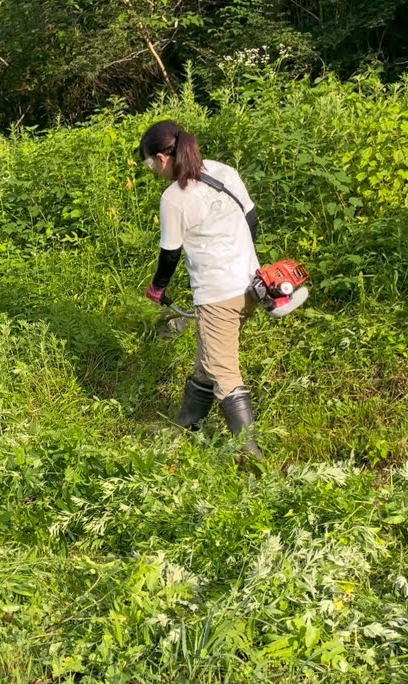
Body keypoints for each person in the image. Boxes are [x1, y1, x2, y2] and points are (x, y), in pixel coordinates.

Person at [139, 119, 265, 459]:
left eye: (150, 164)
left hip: (217, 295)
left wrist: (157, 289)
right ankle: (186, 427)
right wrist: (242, 259)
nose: (153, 171)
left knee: (223, 369)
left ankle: (250, 454)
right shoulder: (224, 171)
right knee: (208, 359)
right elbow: (251, 219)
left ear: (162, 159)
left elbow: (169, 255)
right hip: (253, 286)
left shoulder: (174, 198)